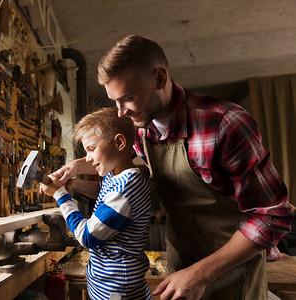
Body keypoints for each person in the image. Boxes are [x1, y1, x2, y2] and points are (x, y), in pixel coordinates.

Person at [53, 35, 293, 300]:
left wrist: (200, 274)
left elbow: (273, 216)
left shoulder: (225, 124)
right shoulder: (142, 131)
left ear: (159, 79)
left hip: (231, 276)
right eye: (115, 101)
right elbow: (129, 179)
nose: (121, 113)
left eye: (128, 98)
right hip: (180, 269)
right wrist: (79, 167)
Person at [40, 107, 153, 300]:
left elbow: (86, 236)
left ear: (119, 142)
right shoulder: (117, 176)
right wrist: (76, 185)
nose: (89, 158)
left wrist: (61, 196)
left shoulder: (125, 189)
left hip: (117, 288)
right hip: (106, 281)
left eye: (92, 149)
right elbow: (104, 193)